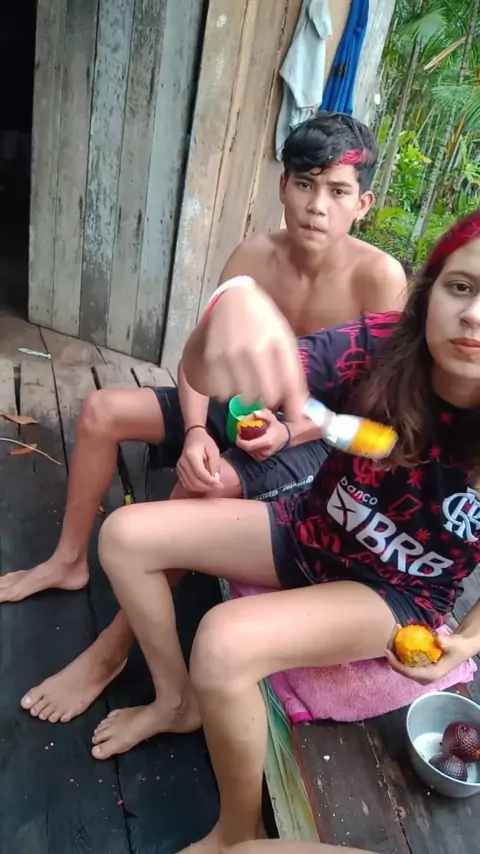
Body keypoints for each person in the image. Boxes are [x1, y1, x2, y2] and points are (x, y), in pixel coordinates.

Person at [91, 210, 480, 854]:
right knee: (125, 536)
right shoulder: (381, 344)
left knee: (223, 641)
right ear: (430, 291)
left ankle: (235, 833)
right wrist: (232, 304)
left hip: (394, 593)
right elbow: (215, 376)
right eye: (461, 287)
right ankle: (175, 700)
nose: (472, 316)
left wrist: (465, 640)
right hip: (311, 530)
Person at [7, 112, 406, 727]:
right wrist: (195, 429)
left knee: (201, 484)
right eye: (305, 184)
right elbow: (200, 359)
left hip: (309, 435)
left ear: (363, 203)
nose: (316, 206)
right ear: (283, 186)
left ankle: (111, 650)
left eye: (337, 191)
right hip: (231, 405)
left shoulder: (378, 278)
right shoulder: (253, 254)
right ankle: (68, 561)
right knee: (101, 409)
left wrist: (287, 430)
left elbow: (370, 407)